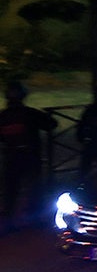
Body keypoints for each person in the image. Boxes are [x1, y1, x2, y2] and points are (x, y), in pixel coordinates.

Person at [0, 80, 58, 231]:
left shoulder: (4, 116)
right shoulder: (30, 113)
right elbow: (52, 124)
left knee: (11, 189)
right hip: (29, 155)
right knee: (34, 189)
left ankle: (9, 220)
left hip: (12, 155)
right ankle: (34, 220)